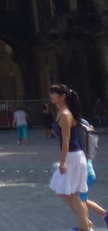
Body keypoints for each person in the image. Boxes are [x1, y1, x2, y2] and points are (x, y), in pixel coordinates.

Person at [48, 83, 91, 231]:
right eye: (51, 93)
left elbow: (66, 139)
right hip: (73, 155)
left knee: (70, 193)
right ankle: (85, 223)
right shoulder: (61, 112)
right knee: (70, 192)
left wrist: (63, 161)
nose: (51, 96)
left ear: (63, 96)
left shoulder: (65, 114)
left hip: (73, 155)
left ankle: (84, 226)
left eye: (54, 93)